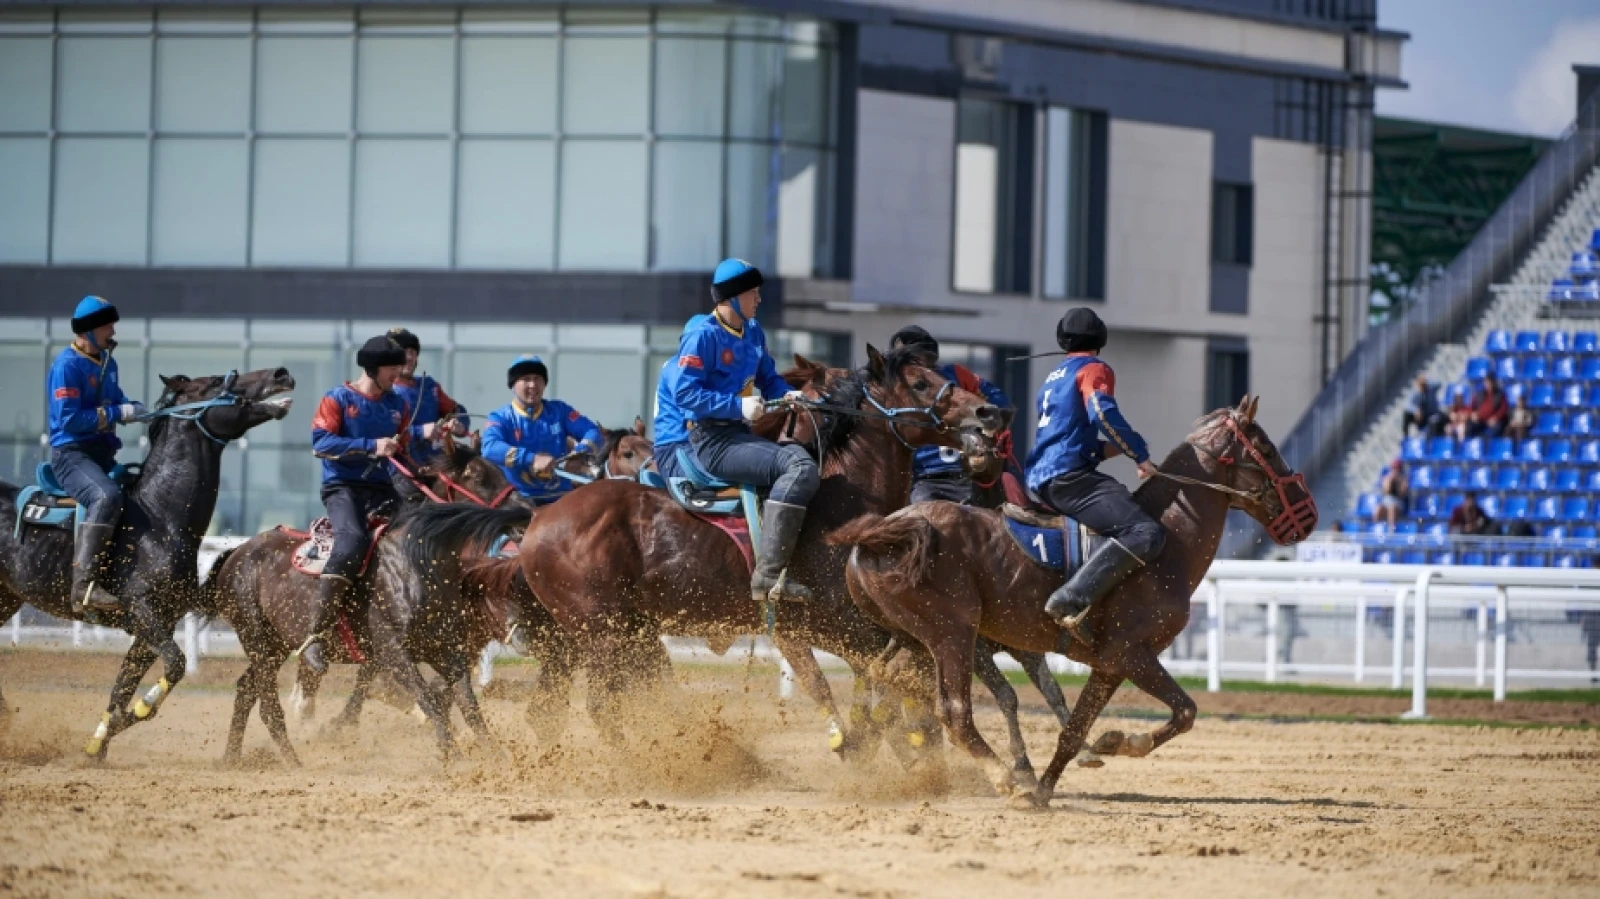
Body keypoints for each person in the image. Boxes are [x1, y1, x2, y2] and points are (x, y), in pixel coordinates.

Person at [653, 258, 815, 605]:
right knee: (799, 467)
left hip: (738, 435)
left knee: (807, 456)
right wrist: (737, 406)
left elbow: (768, 378)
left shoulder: (754, 331)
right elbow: (685, 394)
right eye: (752, 292)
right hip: (711, 441)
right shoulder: (702, 337)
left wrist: (787, 394)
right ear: (731, 298)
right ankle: (768, 577)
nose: (758, 299)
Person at [1025, 307, 1164, 644]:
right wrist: (1140, 454)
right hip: (1069, 478)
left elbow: (1074, 439)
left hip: (1045, 478)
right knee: (1144, 532)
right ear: (1100, 340)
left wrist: (1118, 448)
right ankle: (1070, 600)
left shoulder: (1053, 377)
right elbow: (1102, 414)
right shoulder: (1095, 368)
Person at [303, 335, 417, 675]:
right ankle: (316, 635)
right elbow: (320, 443)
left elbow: (403, 450)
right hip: (342, 489)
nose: (399, 371)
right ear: (373, 367)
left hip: (383, 487)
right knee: (352, 542)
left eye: (400, 365)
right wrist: (371, 445)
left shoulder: (399, 404)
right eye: (393, 367)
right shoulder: (336, 399)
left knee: (421, 536)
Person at [47, 296, 146, 612]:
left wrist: (135, 409)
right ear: (87, 330)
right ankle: (83, 587)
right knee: (106, 497)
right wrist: (118, 412)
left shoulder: (107, 363)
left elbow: (116, 400)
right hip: (71, 457)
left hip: (101, 457)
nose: (112, 329)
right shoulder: (66, 366)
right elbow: (70, 420)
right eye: (107, 324)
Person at [888, 326, 1014, 506]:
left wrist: (979, 424)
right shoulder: (902, 388)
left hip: (966, 474)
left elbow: (999, 401)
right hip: (926, 479)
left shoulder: (955, 374)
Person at [482, 355, 603, 504]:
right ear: (513, 385)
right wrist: (532, 458)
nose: (533, 385)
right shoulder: (500, 417)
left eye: (537, 378)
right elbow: (489, 448)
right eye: (526, 379)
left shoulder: (560, 411)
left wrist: (579, 452)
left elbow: (593, 431)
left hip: (562, 499)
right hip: (519, 501)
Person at [385, 327, 468, 469]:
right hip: (398, 468)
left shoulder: (429, 386)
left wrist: (459, 424)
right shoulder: (383, 389)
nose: (409, 357)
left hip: (436, 464)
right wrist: (420, 431)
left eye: (413, 352)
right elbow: (380, 430)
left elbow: (456, 410)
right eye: (404, 352)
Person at [1374, 458, 1408, 530]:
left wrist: (1399, 482)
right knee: (1378, 508)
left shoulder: (1403, 479)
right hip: (1386, 501)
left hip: (1398, 503)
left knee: (1391, 509)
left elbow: (1402, 494)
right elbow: (1386, 491)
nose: (1395, 470)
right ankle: (1376, 529)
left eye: (1397, 469)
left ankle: (1391, 531)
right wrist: (1390, 481)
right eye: (1394, 468)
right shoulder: (1388, 478)